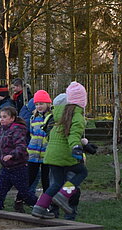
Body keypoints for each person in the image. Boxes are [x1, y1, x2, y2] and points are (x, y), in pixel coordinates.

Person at [31, 82, 89, 220]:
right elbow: (74, 135)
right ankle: (63, 195)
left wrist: (84, 145)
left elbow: (63, 135)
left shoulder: (58, 115)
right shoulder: (77, 116)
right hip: (65, 154)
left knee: (56, 182)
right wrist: (76, 148)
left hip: (51, 155)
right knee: (81, 172)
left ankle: (39, 207)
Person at [26, 89, 53, 193]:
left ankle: (48, 202)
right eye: (36, 104)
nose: (39, 106)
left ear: (47, 103)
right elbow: (32, 133)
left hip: (47, 153)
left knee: (46, 180)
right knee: (29, 178)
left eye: (41, 104)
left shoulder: (52, 118)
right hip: (33, 153)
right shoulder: (33, 118)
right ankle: (20, 199)